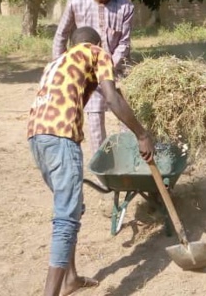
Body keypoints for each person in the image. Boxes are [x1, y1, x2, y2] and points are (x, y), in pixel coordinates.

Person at [28, 27, 154, 296]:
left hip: (37, 138)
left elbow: (108, 91)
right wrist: (142, 134)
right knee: (66, 218)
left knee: (73, 206)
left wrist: (121, 97)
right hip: (61, 137)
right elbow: (111, 98)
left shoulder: (58, 62)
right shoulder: (97, 52)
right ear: (96, 43)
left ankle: (70, 278)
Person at [53, 0, 134, 159]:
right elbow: (61, 36)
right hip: (85, 72)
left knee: (126, 117)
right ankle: (104, 166)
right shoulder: (75, 3)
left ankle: (127, 158)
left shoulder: (125, 7)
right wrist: (60, 67)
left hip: (118, 70)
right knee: (95, 119)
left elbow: (124, 43)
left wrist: (109, 67)